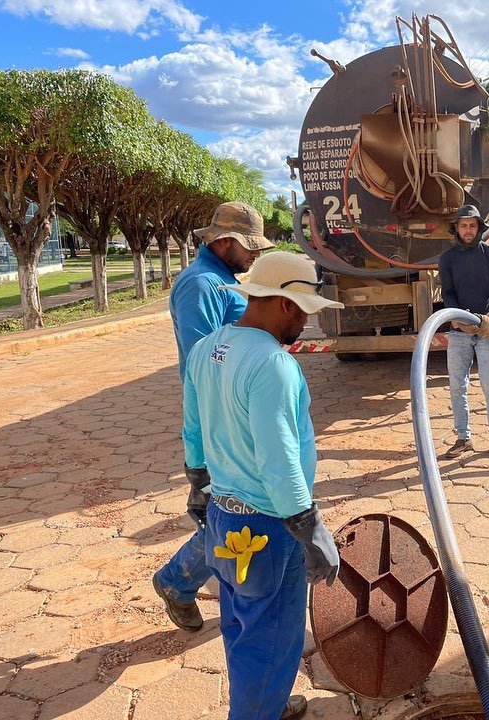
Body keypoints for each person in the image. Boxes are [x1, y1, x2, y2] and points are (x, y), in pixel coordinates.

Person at [183, 251, 343, 720]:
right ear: (285, 305)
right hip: (270, 528)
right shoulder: (273, 364)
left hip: (222, 516)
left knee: (240, 626)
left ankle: (262, 704)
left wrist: (197, 483)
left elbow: (193, 428)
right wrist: (311, 531)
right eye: (307, 310)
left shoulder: (206, 350)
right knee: (272, 639)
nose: (307, 323)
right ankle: (257, 710)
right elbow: (279, 460)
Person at [152, 201, 274, 632]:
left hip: (233, 416)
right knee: (232, 514)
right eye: (250, 247)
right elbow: (205, 364)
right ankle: (176, 581)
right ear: (224, 242)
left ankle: (183, 584)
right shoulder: (200, 286)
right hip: (216, 422)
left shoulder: (222, 280)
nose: (255, 255)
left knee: (237, 512)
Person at [439, 205, 489, 459]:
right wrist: (456, 318)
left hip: (486, 331)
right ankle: (463, 438)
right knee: (457, 385)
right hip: (459, 330)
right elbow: (447, 292)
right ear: (456, 229)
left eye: (472, 225)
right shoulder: (447, 259)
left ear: (479, 227)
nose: (468, 230)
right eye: (463, 225)